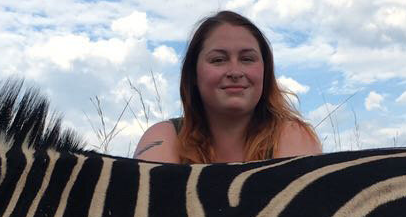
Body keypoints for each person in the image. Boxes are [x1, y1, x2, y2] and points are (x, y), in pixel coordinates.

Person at [135, 10, 322, 163]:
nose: (235, 71)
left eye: (247, 59)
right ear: (193, 74)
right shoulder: (165, 136)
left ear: (265, 72)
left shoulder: (293, 136)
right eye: (218, 60)